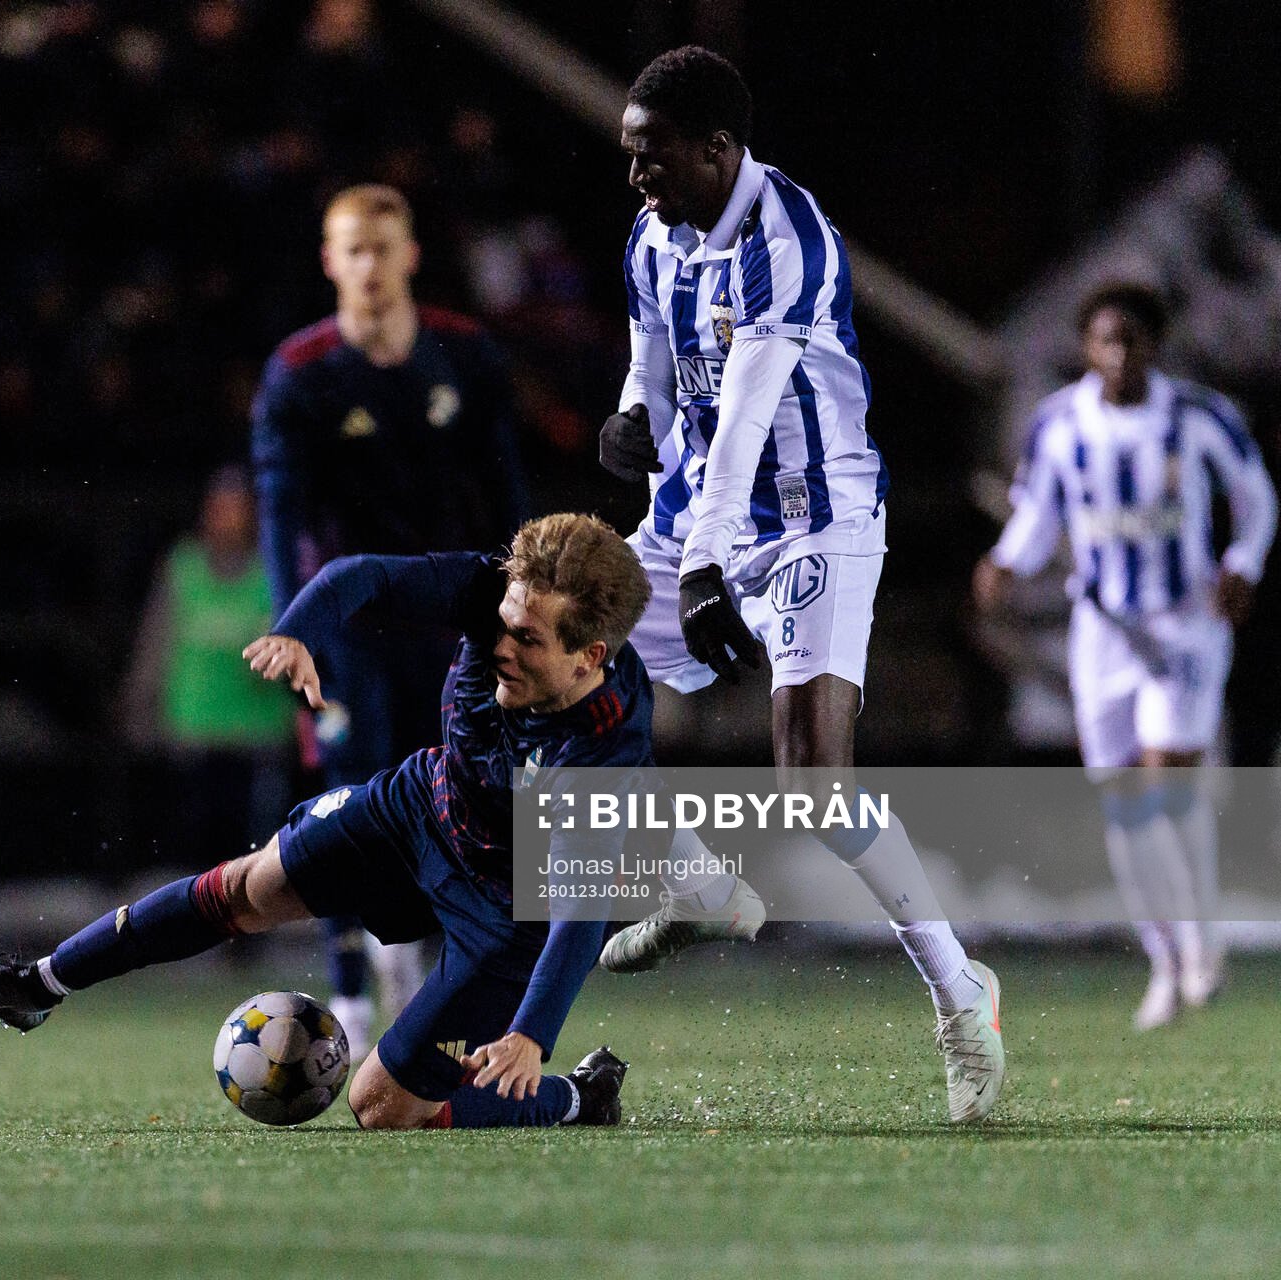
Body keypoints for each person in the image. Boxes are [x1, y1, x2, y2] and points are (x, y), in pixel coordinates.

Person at [0, 513, 648, 1130]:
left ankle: (581, 1097)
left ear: (589, 658)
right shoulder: (495, 593)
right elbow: (363, 575)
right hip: (425, 807)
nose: (500, 646)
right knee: (247, 887)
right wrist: (299, 630)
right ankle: (38, 985)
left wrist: (532, 1036)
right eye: (504, 626)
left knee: (384, 1108)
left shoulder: (607, 744)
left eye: (528, 641)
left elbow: (581, 904)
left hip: (509, 905)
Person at [594, 47, 1003, 1122]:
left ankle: (962, 993)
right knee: (551, 659)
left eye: (653, 156)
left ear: (719, 150)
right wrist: (635, 412)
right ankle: (686, 870)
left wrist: (703, 564)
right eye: (631, 157)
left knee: (815, 782)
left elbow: (745, 418)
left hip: (814, 520)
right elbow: (657, 354)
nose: (636, 176)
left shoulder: (787, 237)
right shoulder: (654, 232)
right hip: (694, 517)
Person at [251, 182, 531, 1059]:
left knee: (464, 801)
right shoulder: (300, 374)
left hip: (451, 627)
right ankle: (352, 1001)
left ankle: (438, 978)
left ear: (410, 255)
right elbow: (280, 516)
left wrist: (521, 614)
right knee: (344, 803)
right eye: (352, 250)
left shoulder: (467, 357)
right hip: (347, 633)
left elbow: (507, 497)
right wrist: (293, 626)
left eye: (384, 248)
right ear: (330, 262)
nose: (369, 266)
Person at [975, 282, 1275, 1028]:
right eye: (1106, 339)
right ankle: (1166, 959)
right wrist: (1007, 562)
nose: (1119, 352)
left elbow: (1257, 497)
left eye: (1133, 338)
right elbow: (1039, 515)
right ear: (1086, 347)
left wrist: (1244, 562)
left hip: (1183, 624)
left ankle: (1200, 940)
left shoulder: (1199, 417)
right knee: (1125, 808)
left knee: (1165, 785)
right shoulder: (1059, 423)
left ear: (1154, 345)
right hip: (1102, 628)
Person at [122, 465, 294, 863]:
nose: (228, 519)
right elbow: (156, 642)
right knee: (196, 853)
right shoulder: (184, 567)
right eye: (220, 508)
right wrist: (140, 708)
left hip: (257, 736)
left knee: (256, 856)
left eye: (238, 509)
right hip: (195, 734)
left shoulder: (272, 569)